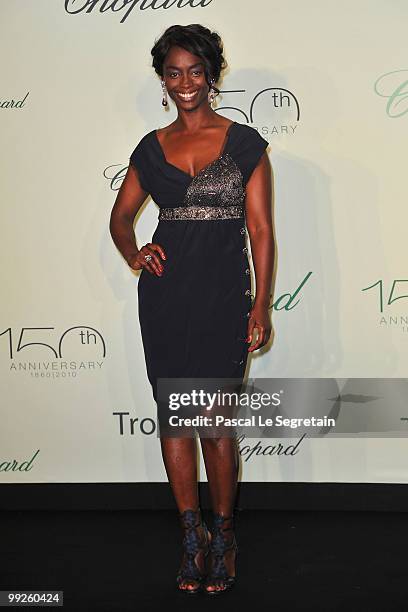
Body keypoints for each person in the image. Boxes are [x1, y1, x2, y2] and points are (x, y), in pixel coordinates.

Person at [109, 24, 275, 595]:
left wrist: (261, 308)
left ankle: (224, 534)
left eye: (195, 72)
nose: (185, 83)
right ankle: (191, 537)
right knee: (176, 420)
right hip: (166, 297)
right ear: (163, 78)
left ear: (212, 75)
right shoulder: (151, 149)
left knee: (215, 425)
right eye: (174, 73)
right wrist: (136, 253)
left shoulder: (245, 142)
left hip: (224, 298)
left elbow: (260, 229)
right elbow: (120, 218)